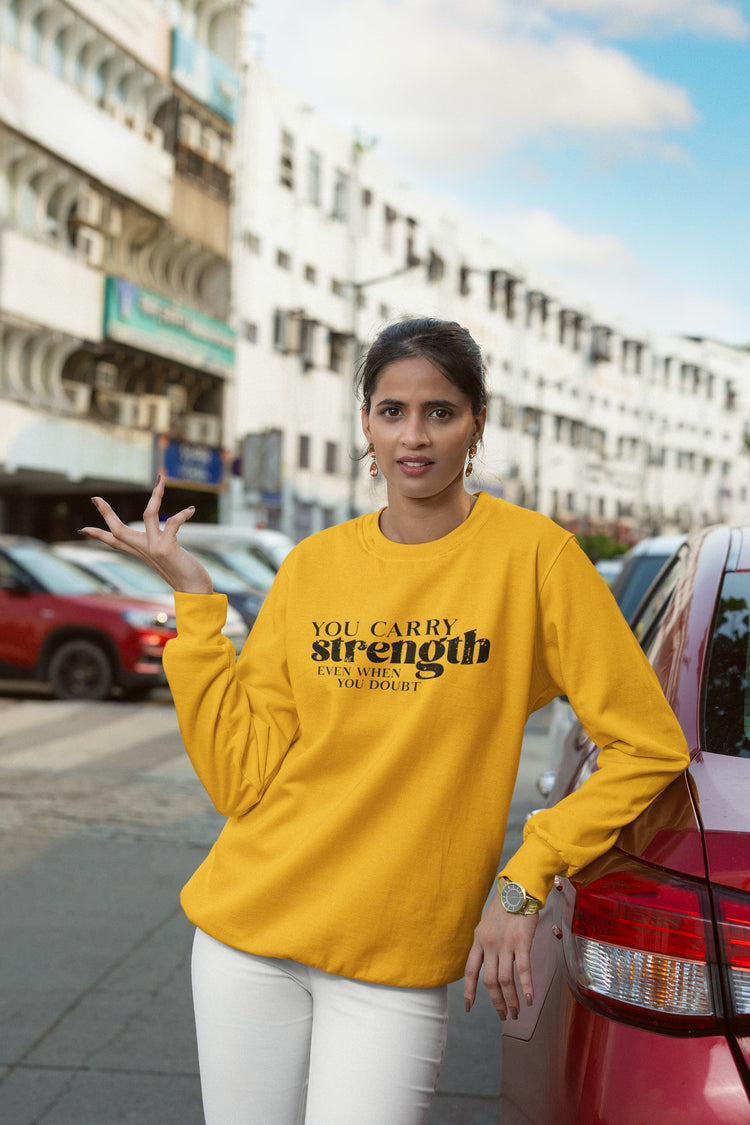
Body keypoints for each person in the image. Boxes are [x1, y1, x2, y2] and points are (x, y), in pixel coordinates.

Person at [81, 318, 689, 1125]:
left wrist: (524, 877)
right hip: (247, 931)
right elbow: (240, 776)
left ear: (477, 424)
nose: (415, 435)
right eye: (392, 410)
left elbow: (648, 747)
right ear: (365, 424)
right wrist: (197, 607)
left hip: (394, 958)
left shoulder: (536, 560)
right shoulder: (313, 565)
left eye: (441, 412)